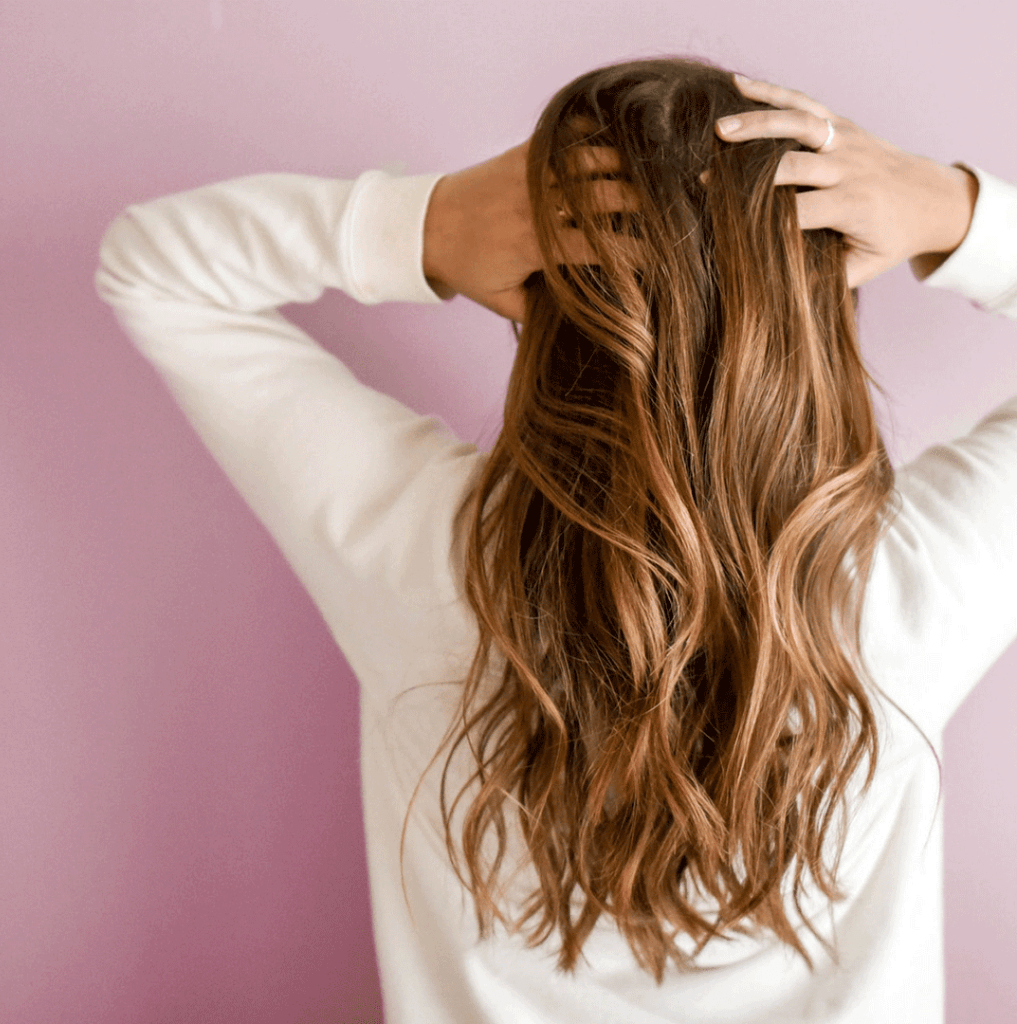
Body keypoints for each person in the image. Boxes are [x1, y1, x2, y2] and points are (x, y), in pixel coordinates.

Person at [94, 56, 1014, 1024]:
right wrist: (951, 213)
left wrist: (430, 225)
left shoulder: (430, 559)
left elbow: (153, 266)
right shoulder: (911, 589)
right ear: (817, 315)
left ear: (536, 296)